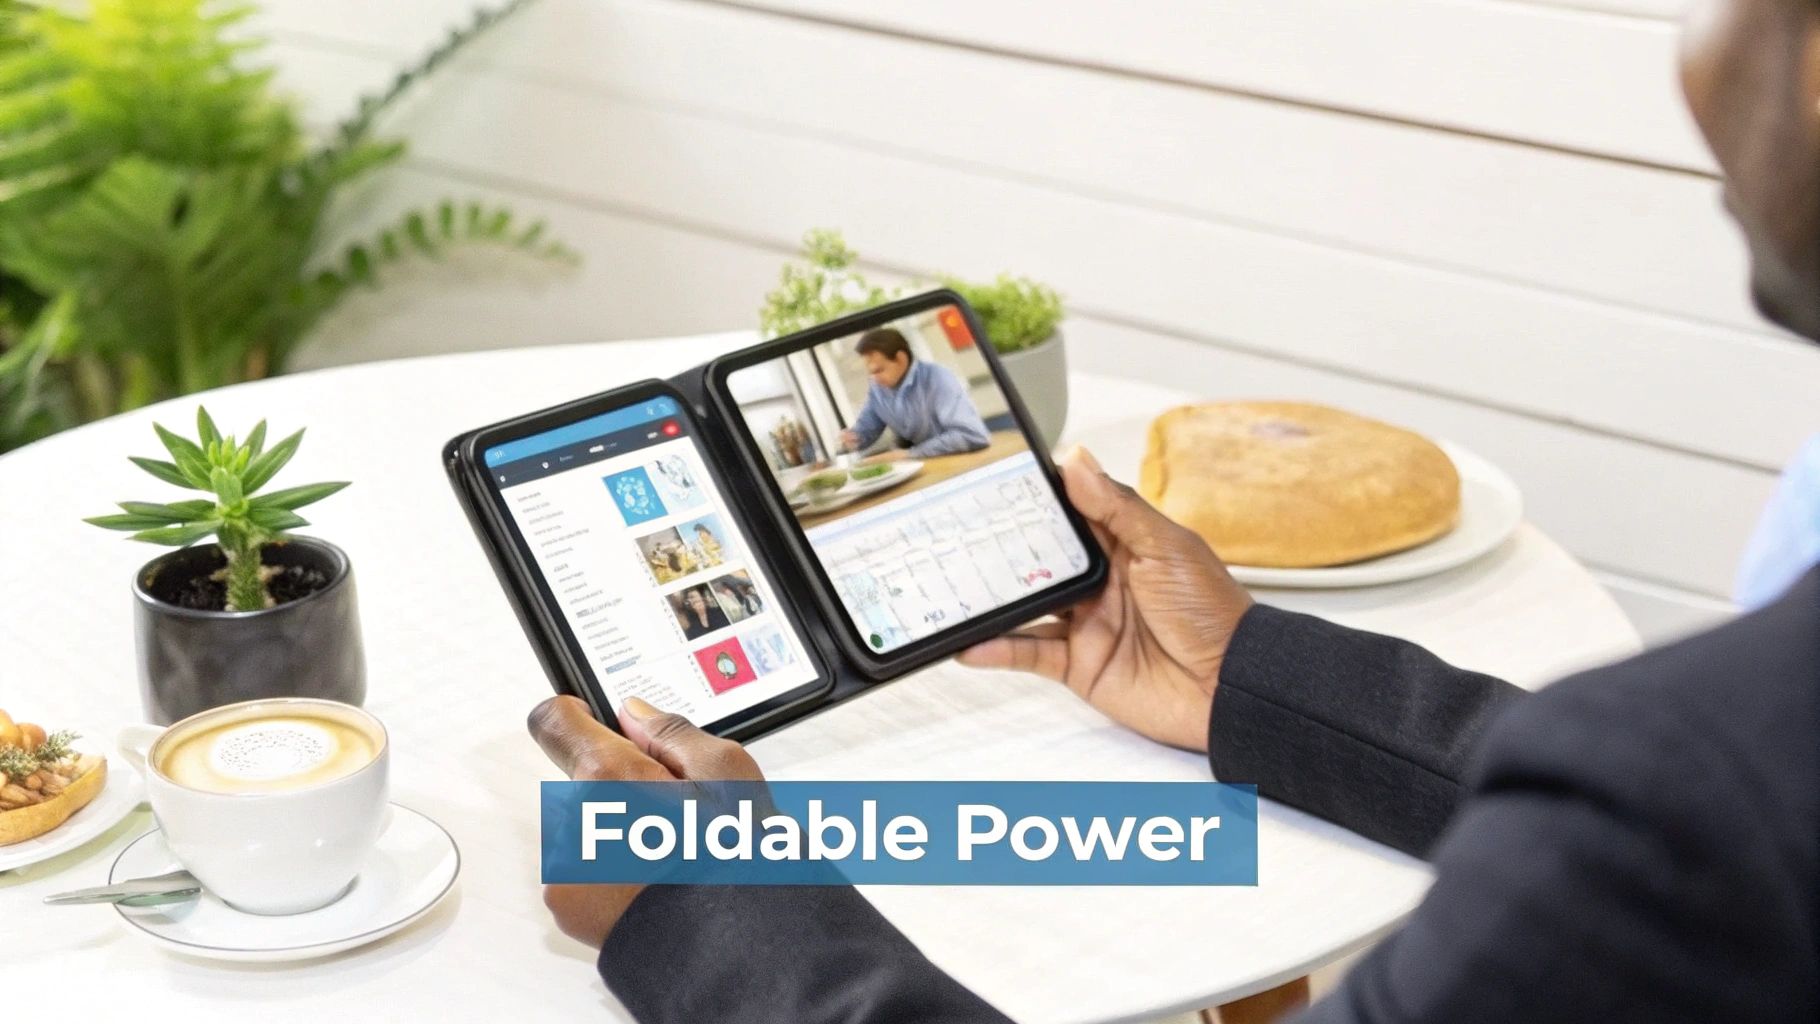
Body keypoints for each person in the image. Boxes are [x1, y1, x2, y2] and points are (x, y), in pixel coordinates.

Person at [526, 1, 1819, 1021]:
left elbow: (1700, 818)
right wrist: (1253, 679)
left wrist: (712, 904)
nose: (1694, 57)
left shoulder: (1693, 782)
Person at [837, 327, 990, 461]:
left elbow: (972, 435)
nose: (874, 379)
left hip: (960, 463)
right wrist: (853, 439)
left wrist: (910, 454)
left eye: (879, 370)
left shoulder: (937, 377)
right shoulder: (878, 389)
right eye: (871, 373)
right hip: (923, 466)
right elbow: (866, 432)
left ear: (901, 359)